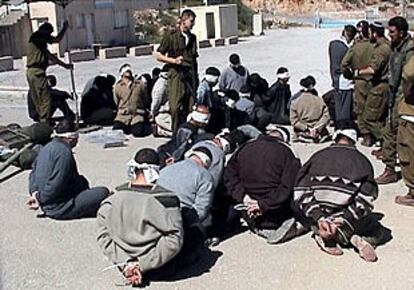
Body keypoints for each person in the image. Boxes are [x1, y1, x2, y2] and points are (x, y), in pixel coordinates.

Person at [97, 148, 204, 287]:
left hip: (123, 262)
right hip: (159, 267)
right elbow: (174, 240)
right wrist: (141, 265)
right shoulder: (166, 200)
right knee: (195, 229)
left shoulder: (113, 198)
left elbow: (104, 236)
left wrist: (127, 263)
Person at [292, 125, 380, 262]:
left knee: (309, 221)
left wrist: (319, 217)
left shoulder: (317, 156)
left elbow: (301, 190)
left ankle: (324, 233)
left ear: (335, 139)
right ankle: (352, 238)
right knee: (376, 227)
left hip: (318, 216)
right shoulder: (362, 162)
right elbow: (366, 198)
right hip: (344, 219)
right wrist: (342, 219)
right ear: (354, 141)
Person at [224, 125, 301, 244]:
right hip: (276, 210)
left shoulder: (244, 147)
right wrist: (262, 204)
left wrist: (244, 197)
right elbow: (288, 187)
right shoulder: (287, 152)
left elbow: (229, 175)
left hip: (247, 206)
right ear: (284, 140)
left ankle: (255, 223)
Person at [26, 120, 109, 220]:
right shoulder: (64, 153)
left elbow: (33, 173)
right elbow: (56, 183)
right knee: (103, 192)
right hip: (58, 207)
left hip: (45, 198)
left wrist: (34, 193)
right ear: (70, 138)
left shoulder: (47, 147)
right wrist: (39, 199)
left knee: (82, 181)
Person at [375, 17, 414, 184]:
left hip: (403, 99)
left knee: (398, 135)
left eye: (392, 32)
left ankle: (392, 169)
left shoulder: (409, 50)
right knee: (390, 131)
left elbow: (408, 77)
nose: (389, 35)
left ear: (402, 32)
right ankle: (389, 166)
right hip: (393, 95)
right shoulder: (396, 47)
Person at [344, 22, 391, 147]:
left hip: (366, 82)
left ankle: (371, 137)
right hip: (375, 83)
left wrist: (353, 74)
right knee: (378, 113)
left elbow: (344, 64)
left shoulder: (378, 48)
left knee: (363, 113)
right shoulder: (381, 46)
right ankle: (381, 141)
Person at [155, 9, 199, 133]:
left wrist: (196, 79)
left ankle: (187, 133)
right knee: (175, 107)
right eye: (191, 21)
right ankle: (175, 133)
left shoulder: (192, 37)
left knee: (189, 107)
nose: (193, 24)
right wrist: (173, 61)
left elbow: (194, 59)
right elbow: (158, 55)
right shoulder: (171, 36)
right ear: (184, 20)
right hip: (176, 74)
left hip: (190, 75)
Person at [26, 21, 73, 123]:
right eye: (49, 33)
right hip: (36, 71)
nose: (49, 36)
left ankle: (43, 119)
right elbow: (56, 40)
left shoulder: (40, 45)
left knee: (39, 98)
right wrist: (64, 28)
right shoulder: (38, 37)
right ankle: (44, 122)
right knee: (45, 98)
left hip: (32, 72)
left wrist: (65, 65)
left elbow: (51, 57)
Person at [157, 147, 215, 228]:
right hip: (179, 217)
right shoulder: (205, 176)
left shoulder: (166, 169)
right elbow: (201, 209)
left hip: (155, 211)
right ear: (207, 163)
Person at [341, 20, 374, 135]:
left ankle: (366, 134)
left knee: (360, 109)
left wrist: (350, 75)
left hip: (359, 81)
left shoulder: (356, 47)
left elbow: (344, 64)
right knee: (375, 108)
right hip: (375, 82)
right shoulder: (376, 45)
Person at [395, 47, 414, 206]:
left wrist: (408, 94)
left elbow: (408, 73)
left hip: (411, 113)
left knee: (408, 152)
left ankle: (413, 194)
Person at [329, 25, 358, 124]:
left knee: (339, 106)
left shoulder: (333, 44)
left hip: (336, 79)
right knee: (345, 107)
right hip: (344, 81)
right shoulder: (345, 49)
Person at [113, 64, 150, 137]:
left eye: (129, 69)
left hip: (137, 114)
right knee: (117, 131)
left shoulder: (140, 85)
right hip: (123, 115)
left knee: (138, 132)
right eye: (125, 69)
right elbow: (116, 101)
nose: (128, 71)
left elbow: (145, 99)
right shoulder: (118, 87)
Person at [290, 76, 330, 143]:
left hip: (302, 130)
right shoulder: (320, 100)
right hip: (318, 130)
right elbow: (326, 117)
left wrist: (307, 128)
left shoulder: (295, 102)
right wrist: (316, 128)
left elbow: (294, 121)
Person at [150, 67, 172, 137]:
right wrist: (153, 113)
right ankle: (159, 131)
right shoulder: (161, 84)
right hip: (162, 113)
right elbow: (156, 101)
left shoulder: (171, 80)